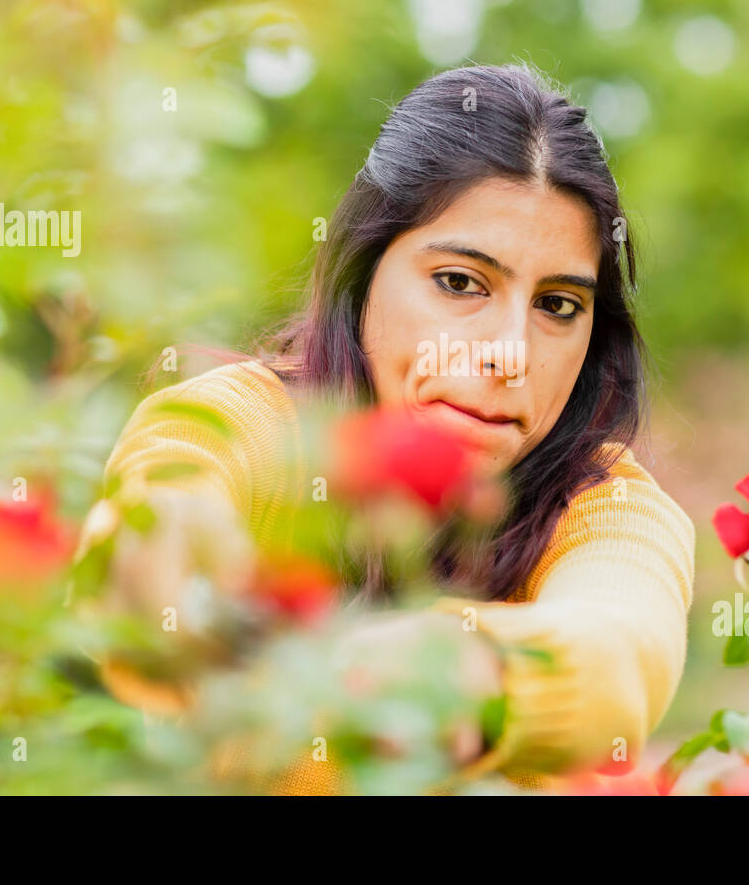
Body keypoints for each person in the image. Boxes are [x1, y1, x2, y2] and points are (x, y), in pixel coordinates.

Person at [83, 63, 696, 794]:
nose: (509, 354)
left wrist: (464, 670)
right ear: (362, 273)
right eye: (461, 283)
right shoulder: (241, 419)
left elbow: (620, 645)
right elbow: (165, 502)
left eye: (558, 305)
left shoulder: (608, 506)